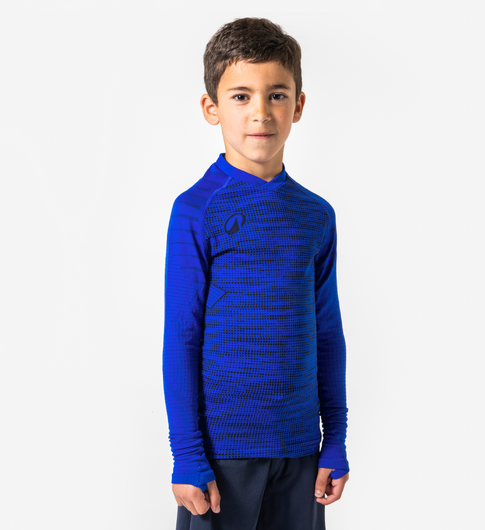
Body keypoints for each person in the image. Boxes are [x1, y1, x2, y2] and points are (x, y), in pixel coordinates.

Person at [162, 16, 350, 530]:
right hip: (221, 457)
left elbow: (327, 333)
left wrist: (334, 439)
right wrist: (187, 454)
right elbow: (181, 336)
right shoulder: (196, 210)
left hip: (300, 453)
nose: (261, 113)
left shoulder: (316, 215)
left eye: (277, 95)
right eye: (241, 96)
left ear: (298, 106)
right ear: (212, 108)